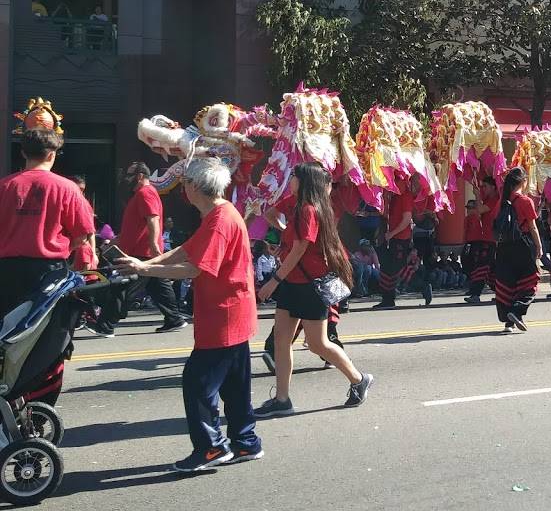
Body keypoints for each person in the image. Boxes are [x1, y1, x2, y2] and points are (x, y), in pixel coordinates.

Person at [115, 158, 262, 472]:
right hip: (233, 311)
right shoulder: (219, 213)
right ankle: (245, 442)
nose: (183, 187)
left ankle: (211, 448)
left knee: (197, 383)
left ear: (195, 186)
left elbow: (194, 268)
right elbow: (185, 250)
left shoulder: (219, 220)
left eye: (185, 182)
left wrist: (145, 269)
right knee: (234, 386)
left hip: (223, 315)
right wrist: (146, 263)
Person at [255, 162, 372, 418]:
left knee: (318, 344)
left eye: (294, 176)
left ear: (305, 181)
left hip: (309, 285)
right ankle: (282, 399)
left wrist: (274, 279)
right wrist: (285, 239)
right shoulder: (297, 204)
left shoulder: (308, 209)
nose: (290, 180)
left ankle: (358, 379)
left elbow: (300, 249)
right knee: (281, 341)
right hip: (292, 282)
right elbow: (281, 228)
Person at [0, 129, 94, 318]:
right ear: (52, 155)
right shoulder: (68, 188)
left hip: (7, 270)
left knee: (7, 327)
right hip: (50, 271)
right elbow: (82, 236)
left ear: (23, 153)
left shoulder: (4, 186)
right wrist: (65, 249)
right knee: (48, 326)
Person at [117, 161, 186, 332]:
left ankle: (106, 323)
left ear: (140, 176)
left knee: (124, 287)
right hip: (142, 250)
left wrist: (154, 246)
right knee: (159, 286)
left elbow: (153, 218)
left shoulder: (145, 193)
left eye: (130, 175)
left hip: (143, 252)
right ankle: (174, 319)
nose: (126, 178)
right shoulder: (141, 194)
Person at [492, 167, 543, 333]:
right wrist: (539, 246)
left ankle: (509, 322)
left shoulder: (501, 201)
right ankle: (516, 310)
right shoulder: (525, 201)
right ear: (523, 182)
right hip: (522, 245)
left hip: (504, 246)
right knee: (530, 281)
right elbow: (532, 227)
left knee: (507, 283)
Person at [373, 181, 428, 309]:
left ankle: (423, 286)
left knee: (397, 268)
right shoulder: (393, 196)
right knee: (386, 267)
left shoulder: (405, 196)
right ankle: (387, 299)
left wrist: (392, 233)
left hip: (401, 238)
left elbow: (407, 219)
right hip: (392, 238)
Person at [465, 177, 499, 304]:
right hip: (486, 237)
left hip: (490, 238)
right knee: (492, 269)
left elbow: (479, 210)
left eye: (485, 186)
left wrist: (477, 196)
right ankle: (501, 292)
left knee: (482, 266)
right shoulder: (488, 199)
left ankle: (475, 294)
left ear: (493, 187)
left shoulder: (495, 199)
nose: (483, 189)